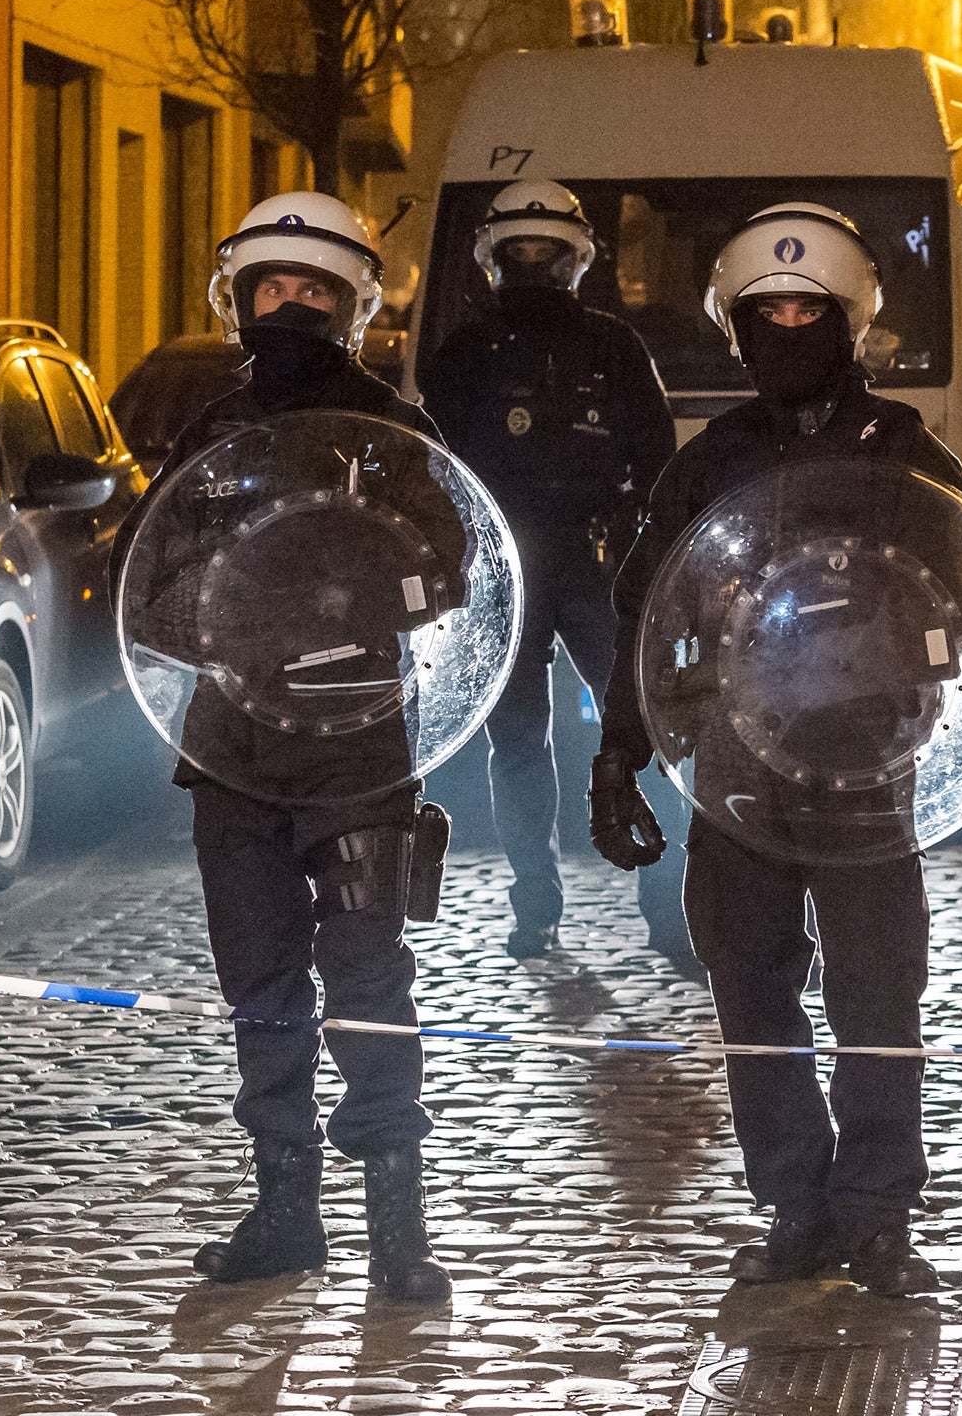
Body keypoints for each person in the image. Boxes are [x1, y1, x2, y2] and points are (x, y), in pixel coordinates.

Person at [589, 204, 962, 1295]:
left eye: (811, 309)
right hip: (735, 770)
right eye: (769, 311)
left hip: (862, 765)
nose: (790, 326)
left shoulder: (906, 453)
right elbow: (646, 617)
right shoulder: (707, 464)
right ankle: (795, 1206)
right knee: (749, 991)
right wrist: (618, 749)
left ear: (850, 320)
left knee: (875, 993)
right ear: (738, 326)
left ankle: (876, 1213)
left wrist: (863, 644)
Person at [121, 192, 454, 1303]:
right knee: (259, 985)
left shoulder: (395, 431)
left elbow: (448, 570)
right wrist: (227, 615)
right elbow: (142, 586)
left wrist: (336, 585)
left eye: (315, 289)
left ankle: (397, 1229)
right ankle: (283, 1210)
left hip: (361, 748)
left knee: (369, 980)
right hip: (233, 751)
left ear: (352, 302)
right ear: (241, 296)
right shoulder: (210, 435)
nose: (292, 306)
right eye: (274, 287)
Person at [423, 181, 684, 962]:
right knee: (543, 740)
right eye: (523, 253)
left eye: (546, 253)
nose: (535, 267)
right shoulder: (479, 353)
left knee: (630, 731)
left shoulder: (598, 347)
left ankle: (640, 901)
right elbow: (437, 468)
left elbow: (658, 462)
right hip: (518, 570)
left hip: (578, 566)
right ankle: (555, 899)